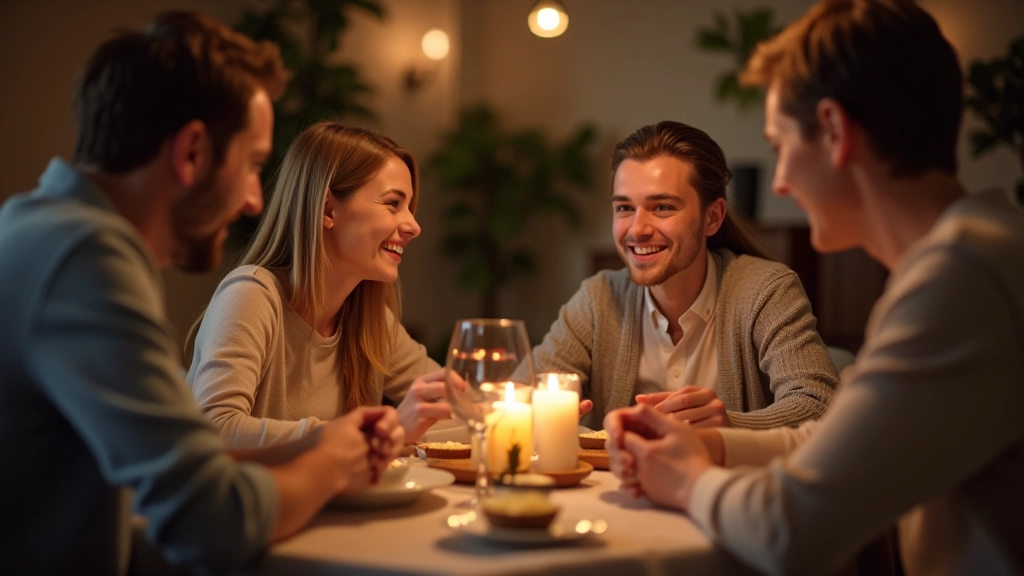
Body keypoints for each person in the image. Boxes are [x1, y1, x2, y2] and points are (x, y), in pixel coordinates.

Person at [604, 0, 1024, 574]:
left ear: (833, 130)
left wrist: (688, 481)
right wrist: (714, 447)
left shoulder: (961, 283)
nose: (779, 182)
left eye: (780, 147)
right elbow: (854, 451)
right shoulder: (982, 252)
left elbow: (788, 531)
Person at [0, 12, 403, 575]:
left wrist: (314, 444)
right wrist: (333, 461)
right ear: (191, 152)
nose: (255, 201)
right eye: (253, 166)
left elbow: (186, 452)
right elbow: (212, 524)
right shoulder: (83, 260)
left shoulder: (37, 231)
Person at [532, 121, 839, 431]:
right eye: (624, 207)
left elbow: (818, 403)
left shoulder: (765, 291)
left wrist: (729, 426)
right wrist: (552, 421)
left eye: (662, 207)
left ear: (713, 217)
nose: (637, 229)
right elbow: (520, 397)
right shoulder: (598, 299)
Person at [184, 122, 449, 448]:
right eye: (393, 203)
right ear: (327, 209)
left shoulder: (368, 317)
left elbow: (450, 405)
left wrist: (525, 377)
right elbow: (214, 429)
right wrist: (373, 433)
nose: (413, 226)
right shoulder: (251, 296)